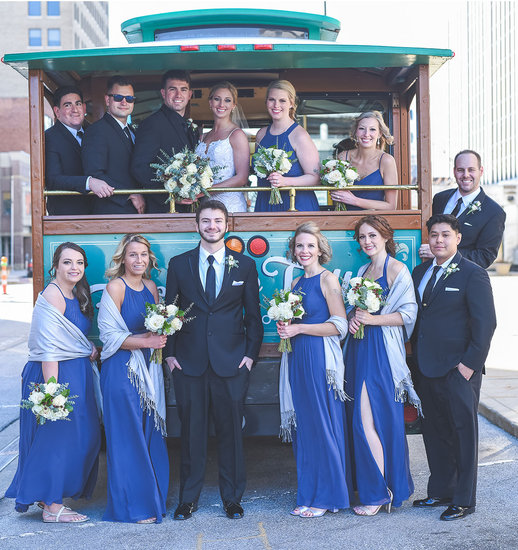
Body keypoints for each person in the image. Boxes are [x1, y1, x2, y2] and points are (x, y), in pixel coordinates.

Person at [165, 199, 263, 520]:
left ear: (226, 225)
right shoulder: (179, 265)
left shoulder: (245, 266)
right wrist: (170, 355)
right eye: (205, 221)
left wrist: (249, 357)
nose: (212, 227)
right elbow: (171, 312)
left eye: (217, 221)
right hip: (189, 364)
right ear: (196, 225)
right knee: (191, 434)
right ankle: (188, 499)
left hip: (231, 364)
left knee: (231, 434)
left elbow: (253, 316)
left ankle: (232, 498)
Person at [6, 242, 101, 522]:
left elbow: (70, 338)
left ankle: (49, 496)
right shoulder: (53, 294)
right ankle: (52, 506)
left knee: (81, 438)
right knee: (56, 440)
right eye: (68, 262)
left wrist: (88, 350)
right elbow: (49, 349)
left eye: (80, 263)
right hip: (56, 376)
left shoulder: (75, 293)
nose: (75, 268)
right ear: (55, 266)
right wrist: (51, 394)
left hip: (76, 373)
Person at [412, 214, 497, 521]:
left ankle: (463, 500)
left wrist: (468, 366)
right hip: (425, 367)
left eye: (445, 235)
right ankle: (440, 491)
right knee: (434, 432)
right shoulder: (420, 271)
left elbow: (486, 324)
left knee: (463, 434)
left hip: (458, 370)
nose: (439, 240)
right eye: (434, 235)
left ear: (458, 238)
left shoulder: (472, 274)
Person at [342, 215, 420, 515]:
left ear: (386, 237)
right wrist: (353, 320)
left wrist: (372, 319)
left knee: (369, 421)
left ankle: (379, 493)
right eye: (362, 237)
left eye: (372, 235)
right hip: (359, 349)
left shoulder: (396, 269)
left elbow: (408, 314)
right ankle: (382, 488)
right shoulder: (363, 269)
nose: (367, 242)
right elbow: (357, 311)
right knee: (362, 420)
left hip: (381, 353)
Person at [276, 221, 352, 517]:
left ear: (320, 250)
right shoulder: (295, 284)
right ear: (293, 251)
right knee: (305, 427)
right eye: (299, 246)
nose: (304, 250)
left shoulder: (328, 279)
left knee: (322, 424)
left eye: (310, 245)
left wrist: (299, 329)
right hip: (297, 358)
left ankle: (327, 497)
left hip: (319, 358)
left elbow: (340, 325)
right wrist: (287, 327)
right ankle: (309, 494)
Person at [97, 234, 169, 523]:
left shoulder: (151, 287)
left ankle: (152, 500)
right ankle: (131, 507)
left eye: (143, 255)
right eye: (132, 255)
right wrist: (147, 342)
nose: (138, 260)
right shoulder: (116, 287)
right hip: (121, 372)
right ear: (122, 259)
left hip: (148, 370)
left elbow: (156, 328)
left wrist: (158, 337)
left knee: (149, 431)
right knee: (127, 439)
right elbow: (109, 337)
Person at [418, 150, 506, 268]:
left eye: (471, 170)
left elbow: (485, 257)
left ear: (481, 171)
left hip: (463, 280)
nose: (466, 175)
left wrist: (442, 254)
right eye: (460, 170)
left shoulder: (494, 212)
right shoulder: (440, 198)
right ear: (454, 171)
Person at [132, 70, 199, 213]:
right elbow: (140, 168)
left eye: (183, 90)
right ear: (163, 93)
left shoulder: (190, 127)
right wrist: (172, 194)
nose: (178, 95)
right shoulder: (152, 124)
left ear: (190, 95)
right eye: (172, 89)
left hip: (190, 210)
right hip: (162, 209)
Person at [45, 86, 113, 215]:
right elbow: (53, 179)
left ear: (84, 108)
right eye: (67, 105)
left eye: (78, 104)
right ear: (57, 112)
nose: (75, 110)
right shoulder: (49, 138)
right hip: (69, 216)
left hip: (100, 211)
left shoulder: (94, 132)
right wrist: (88, 182)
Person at [253, 80, 320, 212]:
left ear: (291, 104)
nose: (276, 105)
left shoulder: (299, 135)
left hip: (295, 205)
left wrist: (285, 181)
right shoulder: (261, 134)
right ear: (266, 102)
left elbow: (315, 178)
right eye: (271, 99)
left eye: (282, 101)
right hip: (265, 203)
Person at [81, 77, 144, 215]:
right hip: (111, 212)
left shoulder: (133, 131)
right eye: (118, 97)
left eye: (129, 98)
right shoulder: (97, 131)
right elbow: (94, 174)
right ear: (107, 100)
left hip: (134, 211)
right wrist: (129, 194)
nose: (124, 102)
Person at [195, 81, 249, 212]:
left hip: (230, 205)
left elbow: (242, 178)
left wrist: (207, 191)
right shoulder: (203, 137)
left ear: (233, 105)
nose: (221, 104)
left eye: (227, 100)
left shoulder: (236, 135)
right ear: (210, 102)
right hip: (205, 205)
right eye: (217, 99)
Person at [330, 111, 398, 211]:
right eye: (362, 129)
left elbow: (391, 206)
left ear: (379, 134)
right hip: (343, 219)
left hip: (374, 222)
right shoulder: (343, 157)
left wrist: (355, 201)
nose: (366, 134)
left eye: (372, 129)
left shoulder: (386, 161)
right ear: (355, 132)